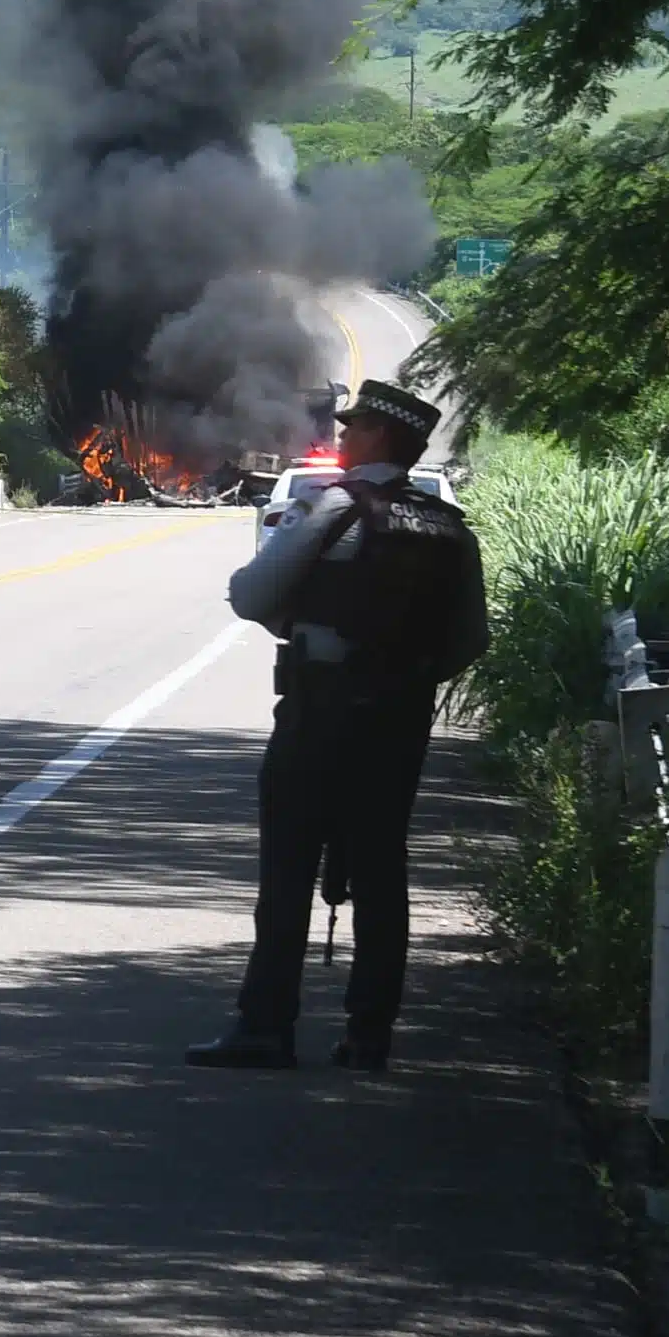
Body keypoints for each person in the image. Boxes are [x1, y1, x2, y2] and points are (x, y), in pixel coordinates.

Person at [187, 375, 490, 1071]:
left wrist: (301, 629)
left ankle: (266, 1025)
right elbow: (471, 637)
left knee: (289, 871)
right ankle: (369, 1034)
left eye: (352, 428)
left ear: (379, 436)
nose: (341, 437)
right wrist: (404, 678)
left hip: (319, 715)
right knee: (382, 872)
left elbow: (250, 593)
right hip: (400, 721)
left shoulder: (333, 509)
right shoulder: (450, 527)